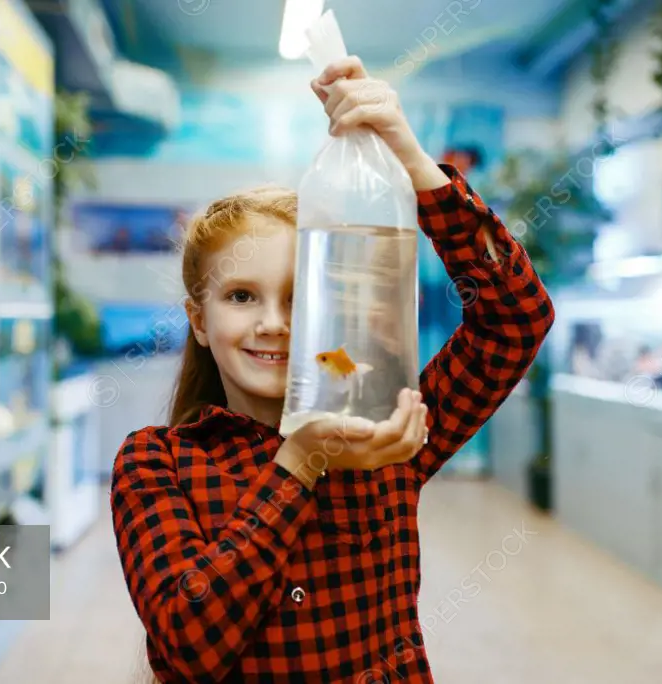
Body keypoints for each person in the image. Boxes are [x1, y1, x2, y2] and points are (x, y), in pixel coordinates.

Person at [110, 56, 555, 683]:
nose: (273, 323)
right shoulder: (155, 463)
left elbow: (516, 319)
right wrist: (301, 463)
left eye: (300, 295)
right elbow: (190, 645)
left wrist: (415, 167)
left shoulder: (386, 434)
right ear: (200, 320)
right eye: (241, 296)